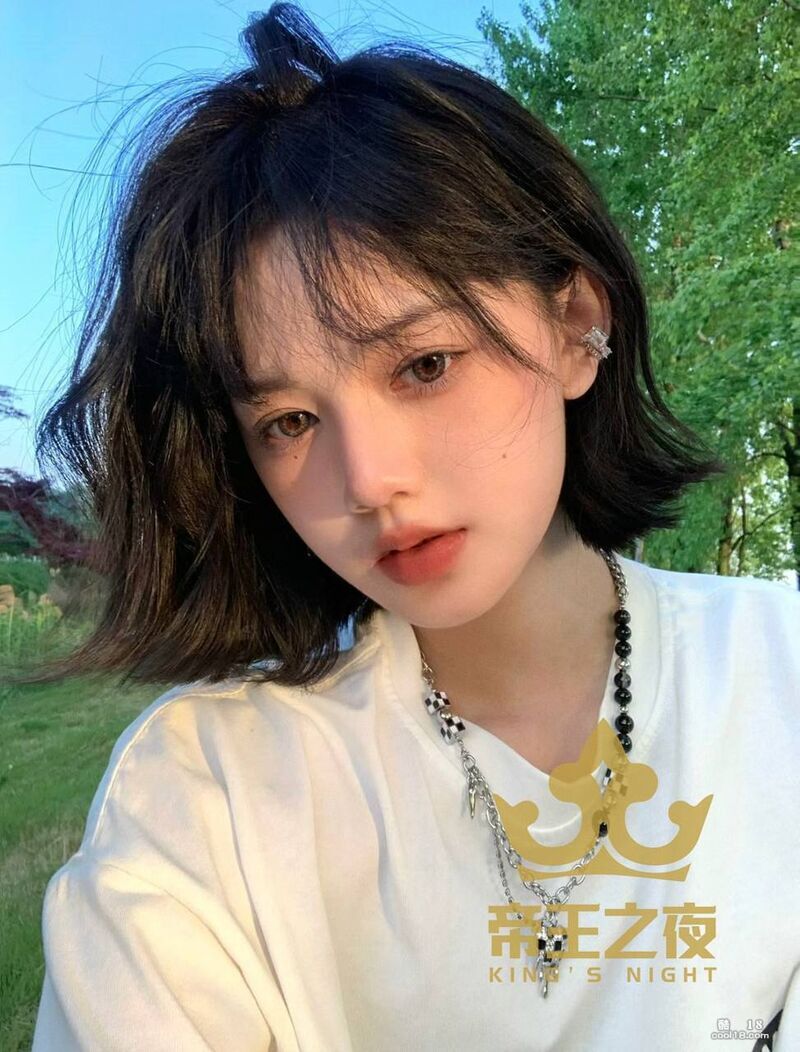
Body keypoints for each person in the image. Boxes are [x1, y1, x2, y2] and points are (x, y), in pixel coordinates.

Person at [25, 3, 798, 1049]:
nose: (368, 480)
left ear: (576, 326)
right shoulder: (206, 796)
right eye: (289, 422)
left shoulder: (778, 672)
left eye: (424, 364)